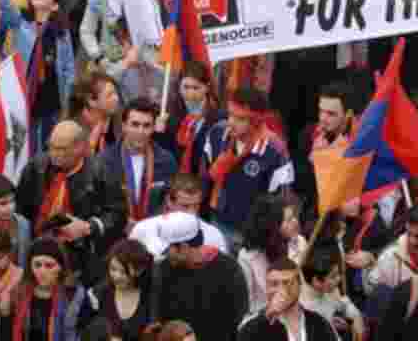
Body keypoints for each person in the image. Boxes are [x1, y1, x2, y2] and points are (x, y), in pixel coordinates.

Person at [16, 120, 128, 285]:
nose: (53, 153)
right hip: (40, 254)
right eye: (51, 147)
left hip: (82, 259)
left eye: (61, 149)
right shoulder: (36, 168)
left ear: (80, 148)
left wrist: (89, 227)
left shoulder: (101, 172)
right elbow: (22, 210)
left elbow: (118, 214)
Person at [204, 88, 293, 251]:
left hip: (249, 237)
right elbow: (202, 178)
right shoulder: (217, 134)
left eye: (240, 118)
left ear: (257, 121)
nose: (231, 122)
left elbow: (282, 199)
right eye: (230, 114)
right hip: (215, 223)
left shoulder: (274, 149)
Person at [148, 212, 249, 341]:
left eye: (167, 250)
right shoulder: (162, 269)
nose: (165, 255)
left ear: (183, 248)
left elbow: (238, 321)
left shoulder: (229, 270)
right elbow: (158, 321)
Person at [9, 0, 76, 150]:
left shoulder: (61, 33)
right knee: (24, 144)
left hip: (50, 97)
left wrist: (66, 101)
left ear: (54, 6)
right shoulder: (21, 22)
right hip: (24, 94)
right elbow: (4, 4)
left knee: (48, 142)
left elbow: (69, 68)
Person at [96, 98, 179, 230]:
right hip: (115, 237)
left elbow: (171, 201)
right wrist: (121, 222)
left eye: (146, 126)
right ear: (124, 126)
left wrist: (150, 225)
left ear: (153, 128)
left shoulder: (166, 161)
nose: (140, 132)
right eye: (135, 125)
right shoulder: (105, 160)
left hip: (153, 235)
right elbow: (98, 203)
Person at [5, 238, 91, 341]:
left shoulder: (75, 295)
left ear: (61, 267)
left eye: (49, 266)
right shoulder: (20, 292)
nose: (42, 271)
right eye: (37, 265)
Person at [129, 177, 229, 258]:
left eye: (196, 205)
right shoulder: (145, 230)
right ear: (169, 201)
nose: (192, 212)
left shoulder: (214, 235)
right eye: (185, 206)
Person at [237, 193, 303, 314]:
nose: (295, 222)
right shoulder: (247, 257)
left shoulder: (299, 242)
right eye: (288, 220)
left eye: (294, 216)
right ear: (272, 227)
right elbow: (248, 305)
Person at [88, 239, 156, 341]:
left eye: (123, 272)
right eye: (113, 269)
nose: (117, 276)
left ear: (140, 270)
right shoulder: (98, 294)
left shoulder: (151, 296)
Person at [300, 248, 366, 341]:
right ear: (316, 281)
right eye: (333, 276)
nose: (338, 279)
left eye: (338, 274)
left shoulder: (327, 291)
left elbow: (347, 308)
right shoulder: (307, 309)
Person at [0, 174, 32, 268]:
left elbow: (25, 260)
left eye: (12, 201)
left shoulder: (23, 224)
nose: (11, 207)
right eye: (3, 203)